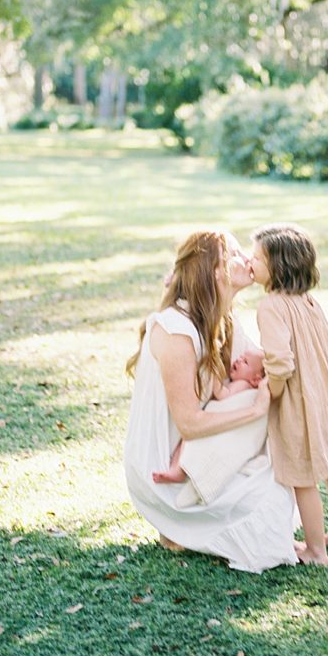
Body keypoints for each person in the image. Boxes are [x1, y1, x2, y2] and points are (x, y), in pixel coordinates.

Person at [123, 229, 298, 573]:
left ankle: (191, 527)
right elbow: (188, 422)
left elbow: (264, 364)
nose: (247, 259)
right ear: (214, 271)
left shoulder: (222, 318)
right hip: (165, 469)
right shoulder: (176, 330)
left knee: (277, 492)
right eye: (234, 254)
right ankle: (180, 518)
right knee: (265, 521)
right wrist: (253, 409)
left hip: (206, 446)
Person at [251, 223, 328, 566]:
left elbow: (281, 362)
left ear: (280, 267)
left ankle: (316, 550)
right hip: (324, 390)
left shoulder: (271, 306)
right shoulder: (308, 300)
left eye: (258, 257)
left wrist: (269, 393)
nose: (251, 261)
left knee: (302, 476)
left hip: (299, 398)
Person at [152, 350, 266, 485]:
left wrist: (214, 370)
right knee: (185, 440)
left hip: (218, 422)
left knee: (188, 440)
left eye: (245, 362)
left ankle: (178, 470)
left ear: (256, 379)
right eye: (241, 357)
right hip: (214, 418)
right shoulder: (239, 382)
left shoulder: (244, 385)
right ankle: (176, 467)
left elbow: (223, 395)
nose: (239, 360)